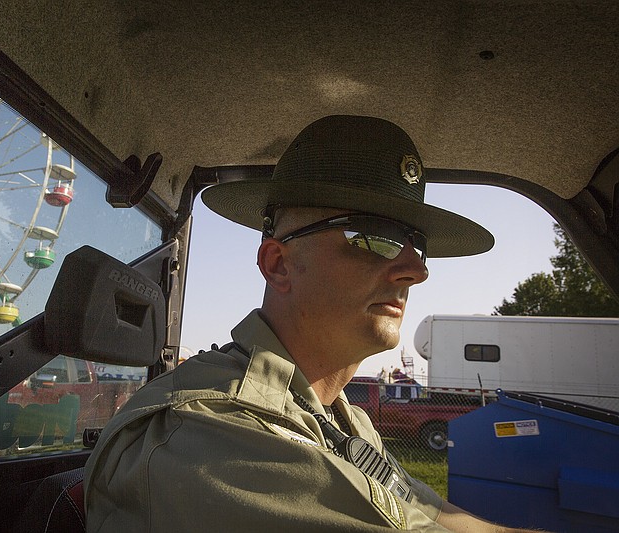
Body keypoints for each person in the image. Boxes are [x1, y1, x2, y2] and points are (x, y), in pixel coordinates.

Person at [83, 116, 538, 531]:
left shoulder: (344, 419)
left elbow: (437, 518)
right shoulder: (211, 435)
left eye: (415, 245)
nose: (416, 271)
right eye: (375, 238)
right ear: (278, 264)